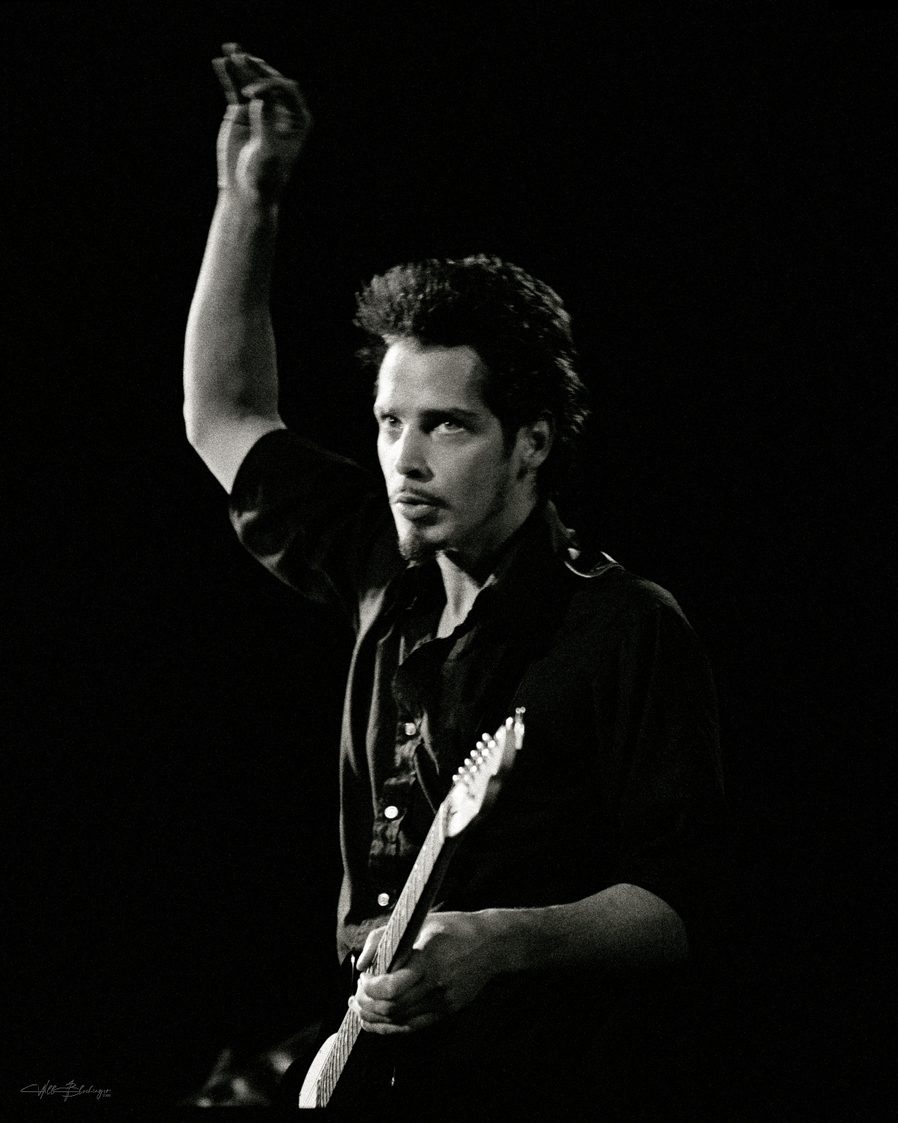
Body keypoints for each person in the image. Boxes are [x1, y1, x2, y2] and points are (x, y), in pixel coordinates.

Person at [182, 43, 729, 1115]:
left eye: (447, 426)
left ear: (532, 443)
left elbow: (683, 906)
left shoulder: (623, 626)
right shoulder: (383, 563)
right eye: (390, 422)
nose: (405, 459)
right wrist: (248, 199)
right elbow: (226, 413)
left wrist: (501, 941)